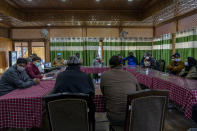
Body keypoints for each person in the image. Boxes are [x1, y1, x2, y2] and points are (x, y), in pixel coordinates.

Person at [51, 56, 95, 130]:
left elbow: (55, 92)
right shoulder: (85, 76)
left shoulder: (60, 76)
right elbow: (92, 93)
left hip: (63, 110)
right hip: (80, 110)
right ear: (79, 65)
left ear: (67, 65)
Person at [100, 55, 141, 123]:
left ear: (110, 65)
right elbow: (139, 93)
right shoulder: (131, 75)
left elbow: (103, 93)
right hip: (131, 116)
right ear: (122, 65)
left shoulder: (104, 75)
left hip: (113, 116)